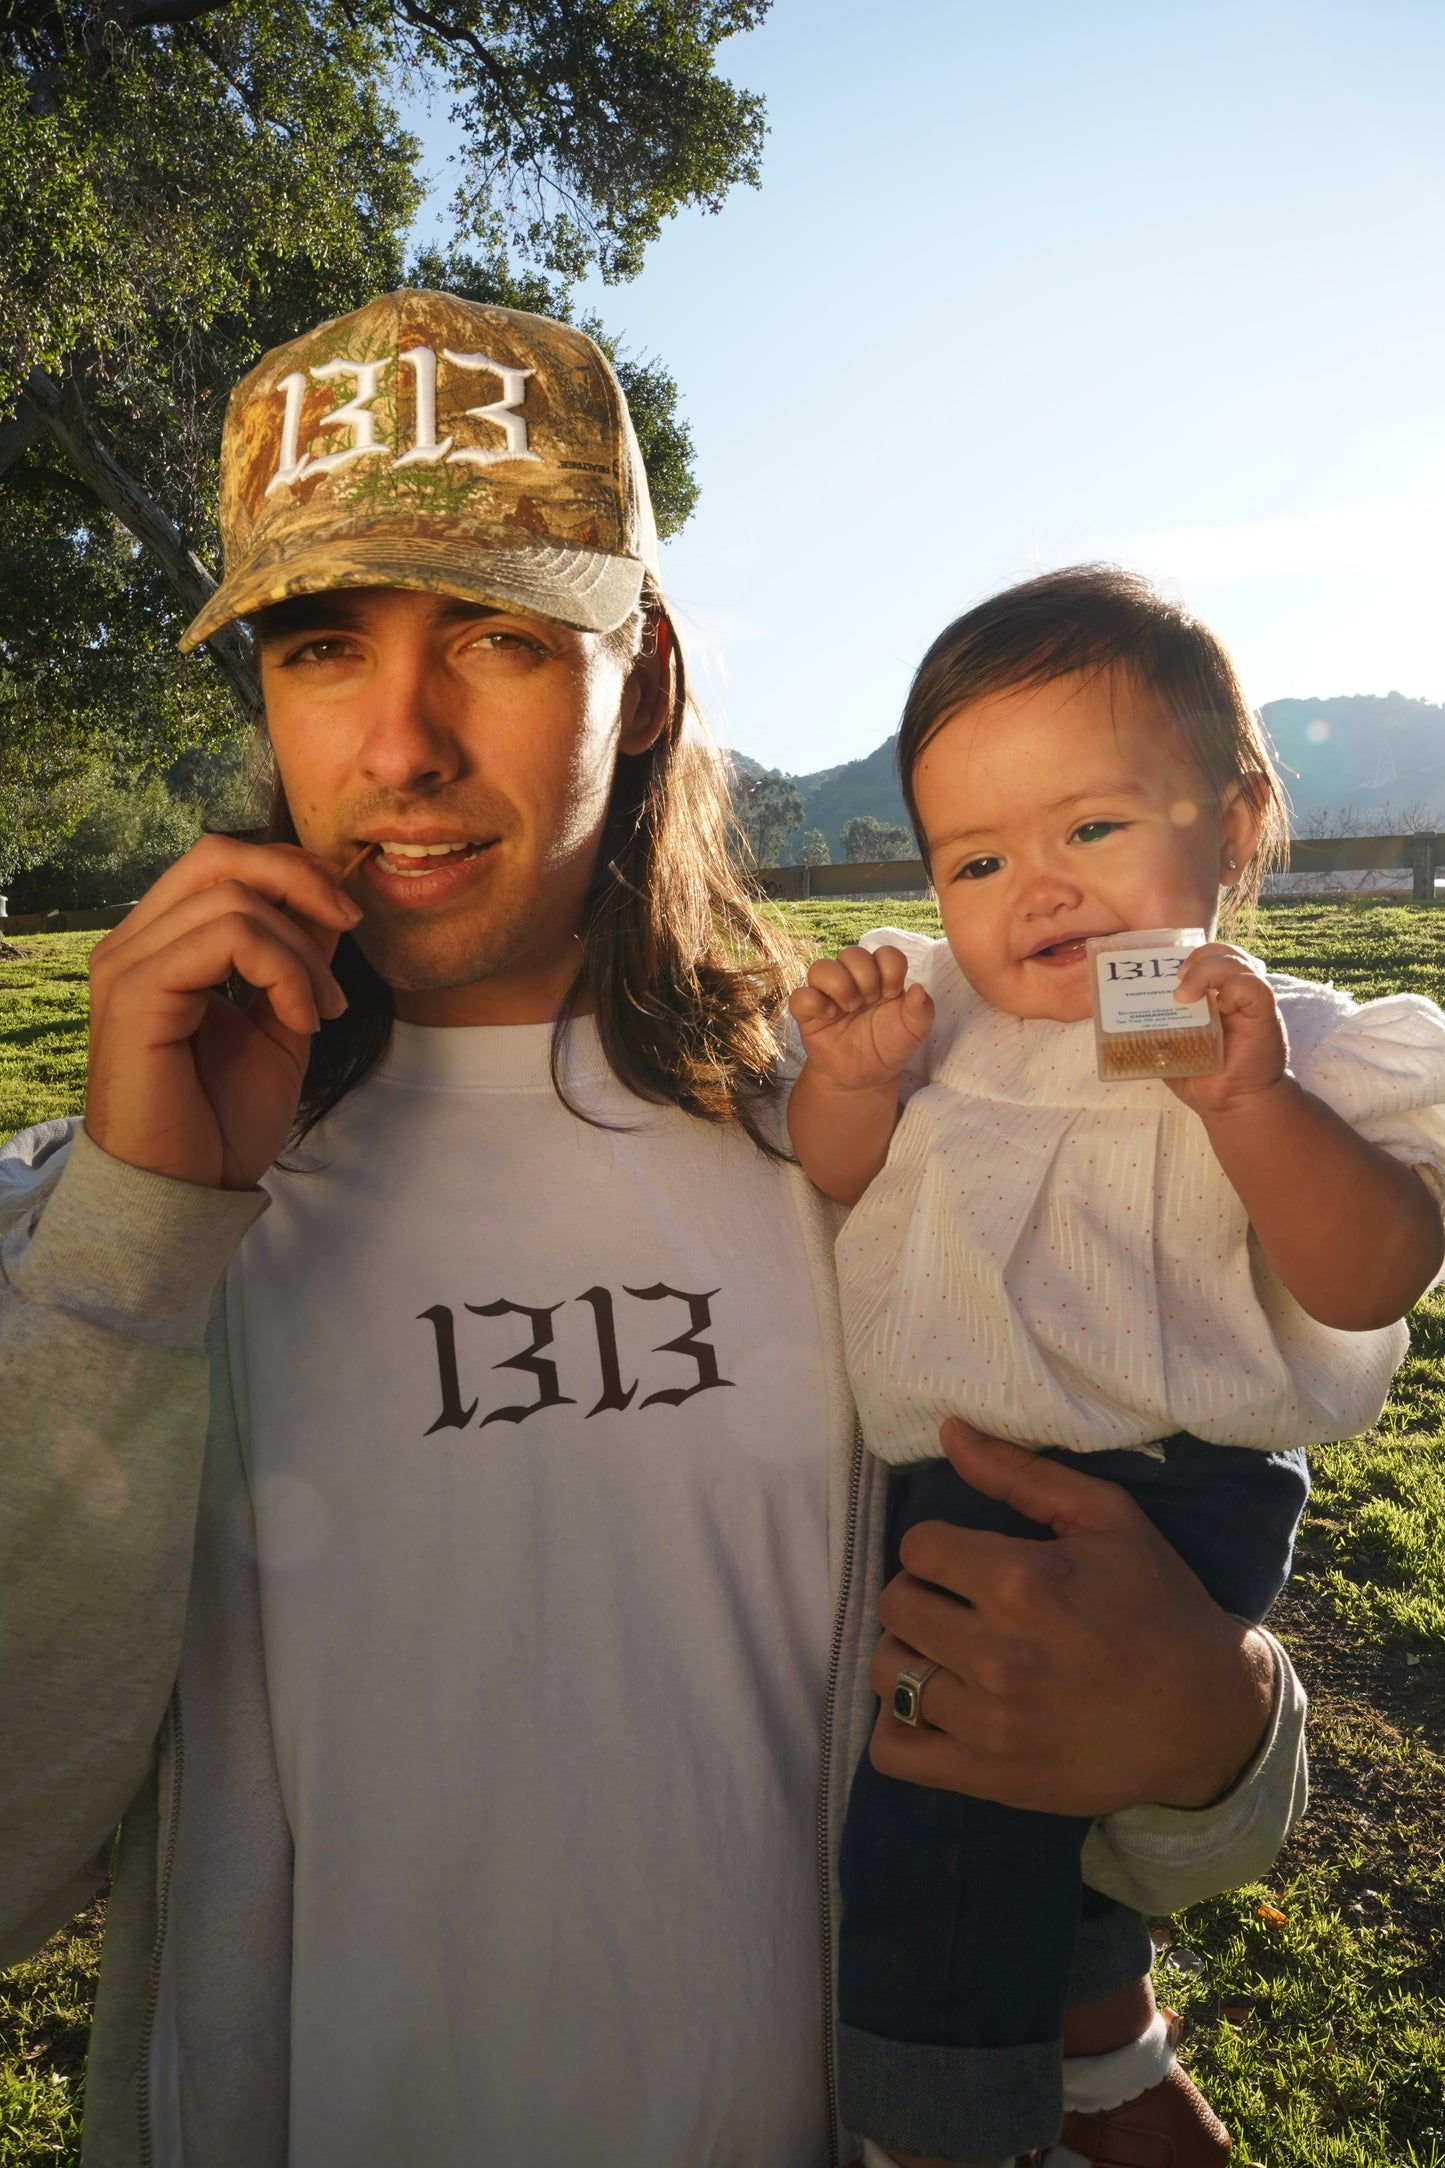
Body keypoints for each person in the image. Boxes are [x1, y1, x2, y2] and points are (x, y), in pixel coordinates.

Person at [0, 298, 1309, 2168]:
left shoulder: (907, 1116)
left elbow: (1153, 1723)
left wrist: (1216, 1737)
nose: (401, 743)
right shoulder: (120, 1202)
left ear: (651, 672)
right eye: (317, 647)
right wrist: (132, 1252)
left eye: (499, 637)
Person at [786, 564, 1445, 2168]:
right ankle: (1083, 2031)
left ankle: (933, 2118)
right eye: (976, 856)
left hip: (1176, 1485)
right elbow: (831, 1179)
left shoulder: (1296, 1043)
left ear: (1231, 822)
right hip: (953, 1467)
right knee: (1021, 1817)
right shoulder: (935, 1016)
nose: (1039, 889)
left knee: (941, 1801)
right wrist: (855, 1086)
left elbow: (1374, 1270)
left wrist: (1250, 1108)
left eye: (1090, 829)